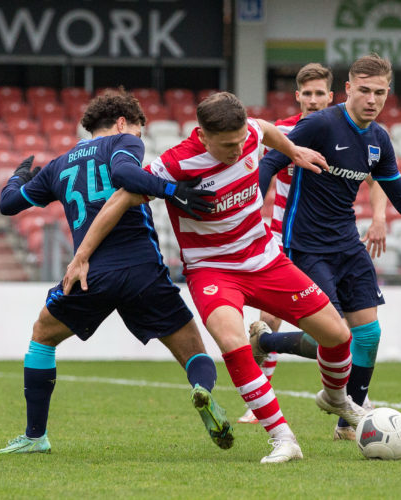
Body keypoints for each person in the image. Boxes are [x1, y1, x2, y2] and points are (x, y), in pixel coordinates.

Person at [62, 91, 368, 464]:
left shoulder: (249, 134)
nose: (238, 151)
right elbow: (121, 198)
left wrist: (293, 152)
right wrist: (82, 255)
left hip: (263, 257)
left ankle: (335, 398)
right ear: (203, 136)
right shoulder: (175, 164)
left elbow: (266, 130)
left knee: (338, 336)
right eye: (227, 145)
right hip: (212, 269)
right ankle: (283, 438)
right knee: (231, 340)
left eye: (240, 142)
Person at [0, 88, 233, 454]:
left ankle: (34, 436)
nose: (138, 139)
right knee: (191, 347)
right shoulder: (123, 141)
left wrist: (18, 176)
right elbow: (125, 173)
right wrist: (174, 191)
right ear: (123, 123)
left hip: (90, 274)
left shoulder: (60, 165)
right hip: (143, 269)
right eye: (138, 131)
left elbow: (8, 204)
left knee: (42, 336)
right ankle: (202, 390)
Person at [256, 53, 401, 440]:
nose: (371, 99)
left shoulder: (379, 139)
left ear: (388, 94)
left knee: (367, 336)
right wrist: (253, 201)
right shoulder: (318, 123)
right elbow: (270, 161)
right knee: (334, 335)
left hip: (347, 245)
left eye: (379, 93)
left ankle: (345, 419)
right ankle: (269, 343)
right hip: (306, 246)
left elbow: (400, 195)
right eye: (364, 90)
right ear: (348, 89)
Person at [238, 62, 388, 426]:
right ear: (298, 97)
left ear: (332, 95)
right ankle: (260, 400)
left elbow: (375, 176)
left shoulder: (346, 129)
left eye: (320, 93)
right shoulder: (286, 132)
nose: (314, 99)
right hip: (282, 233)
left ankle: (345, 403)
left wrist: (380, 217)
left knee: (340, 331)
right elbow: (263, 169)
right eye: (308, 93)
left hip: (327, 237)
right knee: (274, 318)